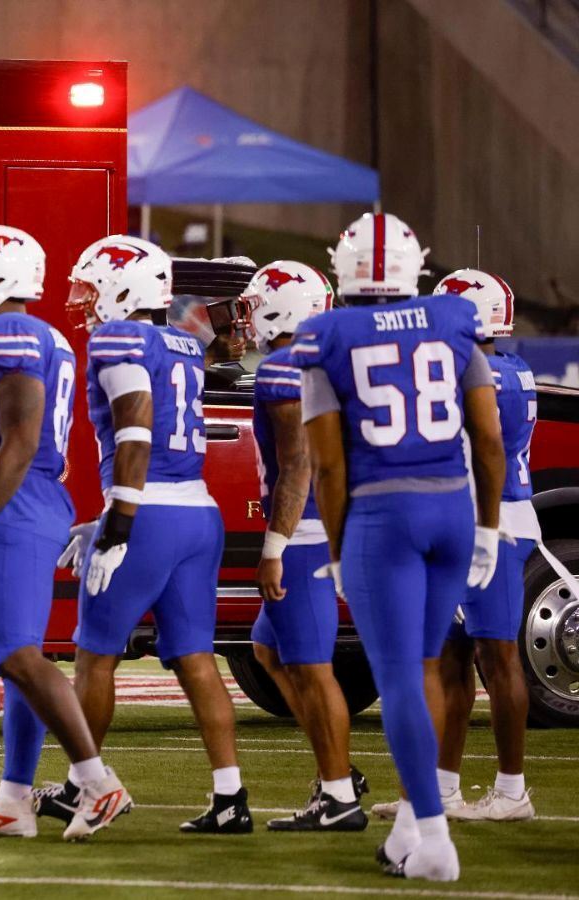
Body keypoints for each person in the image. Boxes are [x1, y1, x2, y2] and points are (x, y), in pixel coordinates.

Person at [291, 213, 506, 881]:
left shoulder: (326, 337)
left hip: (385, 517)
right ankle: (413, 826)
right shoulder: (453, 322)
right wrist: (490, 526)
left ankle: (436, 843)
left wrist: (336, 547)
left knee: (403, 678)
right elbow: (490, 441)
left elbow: (327, 467)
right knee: (431, 663)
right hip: (452, 507)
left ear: (343, 268)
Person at [0, 226, 130, 842]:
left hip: (14, 502)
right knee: (19, 655)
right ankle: (14, 799)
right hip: (30, 498)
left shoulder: (8, 330)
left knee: (12, 653)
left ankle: (98, 783)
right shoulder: (43, 334)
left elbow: (19, 442)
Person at [56, 235, 251, 834]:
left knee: (95, 657)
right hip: (197, 512)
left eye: (92, 286)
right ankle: (230, 797)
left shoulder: (120, 338)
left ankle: (86, 789)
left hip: (149, 515)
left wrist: (118, 520)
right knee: (196, 659)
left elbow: (136, 432)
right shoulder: (180, 343)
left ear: (124, 287)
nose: (85, 301)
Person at [371, 269, 538, 823]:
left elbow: (481, 449)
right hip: (476, 520)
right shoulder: (507, 368)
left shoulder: (485, 374)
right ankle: (441, 789)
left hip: (491, 522)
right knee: (451, 655)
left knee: (498, 654)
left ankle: (513, 790)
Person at [238, 261, 369, 831]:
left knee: (313, 669)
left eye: (256, 303)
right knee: (267, 650)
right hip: (326, 528)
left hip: (306, 535)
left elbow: (298, 464)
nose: (247, 316)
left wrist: (274, 545)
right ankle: (337, 769)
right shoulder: (324, 360)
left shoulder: (282, 369)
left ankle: (338, 796)